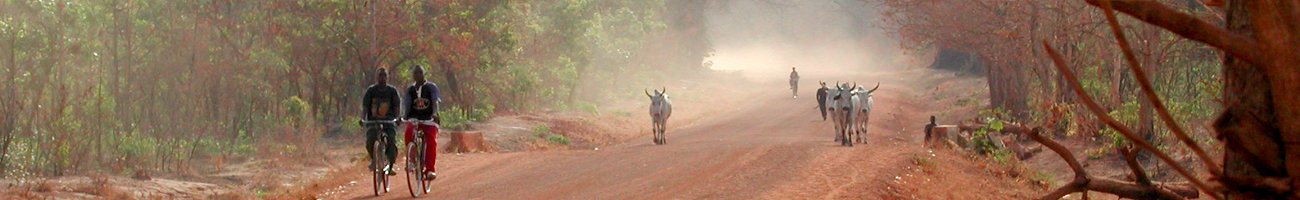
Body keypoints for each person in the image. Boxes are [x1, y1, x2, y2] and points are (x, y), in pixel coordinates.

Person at [403, 65, 441, 181]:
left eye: (420, 73)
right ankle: (412, 160)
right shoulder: (410, 90)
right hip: (415, 119)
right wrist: (404, 117)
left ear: (424, 74)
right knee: (408, 133)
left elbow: (435, 101)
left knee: (431, 141)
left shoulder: (431, 87)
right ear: (413, 75)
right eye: (415, 73)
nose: (418, 75)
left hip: (429, 119)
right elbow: (407, 105)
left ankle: (430, 170)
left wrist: (435, 114)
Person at [362, 67, 401, 176]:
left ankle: (391, 165)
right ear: (376, 77)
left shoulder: (392, 91)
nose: (382, 78)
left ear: (387, 77)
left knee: (392, 142)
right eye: (380, 75)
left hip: (389, 122)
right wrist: (363, 119)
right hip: (373, 122)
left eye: (384, 75)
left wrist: (397, 118)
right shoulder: (371, 91)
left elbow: (397, 107)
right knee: (370, 141)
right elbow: (365, 107)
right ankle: (374, 160)